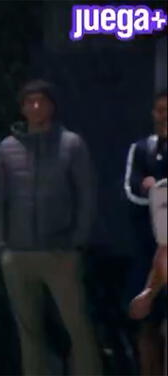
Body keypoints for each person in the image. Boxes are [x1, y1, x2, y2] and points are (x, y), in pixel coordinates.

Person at [0, 80, 102, 375]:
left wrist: (76, 242)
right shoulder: (8, 148)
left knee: (79, 328)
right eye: (30, 102)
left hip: (60, 253)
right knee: (29, 333)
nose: (35, 107)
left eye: (41, 101)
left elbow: (86, 195)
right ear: (22, 108)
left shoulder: (71, 144)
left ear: (52, 105)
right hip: (18, 254)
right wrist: (2, 247)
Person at [124, 90, 167, 376]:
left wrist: (161, 188)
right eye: (161, 110)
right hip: (147, 247)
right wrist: (152, 192)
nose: (165, 116)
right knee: (146, 324)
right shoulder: (140, 149)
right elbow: (131, 190)